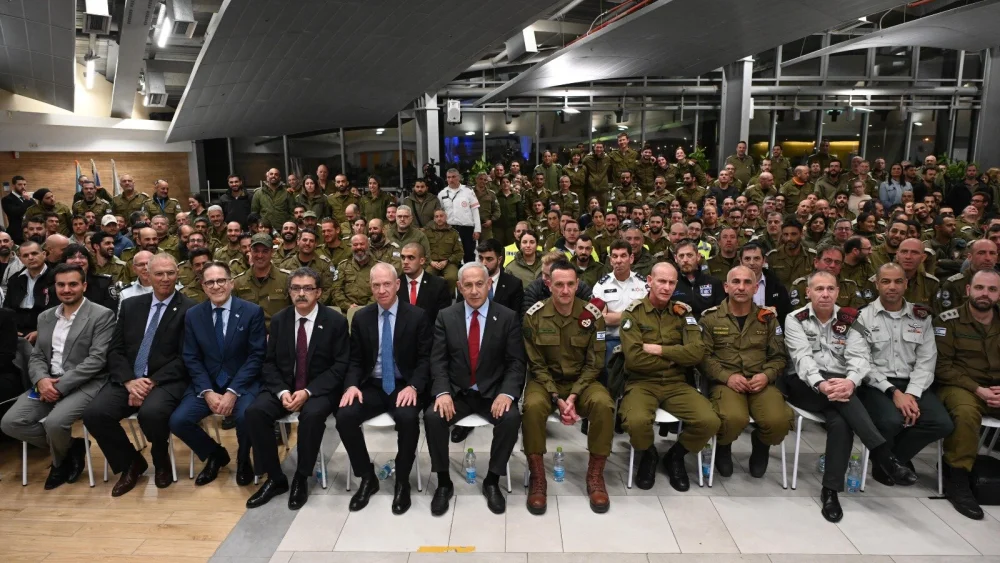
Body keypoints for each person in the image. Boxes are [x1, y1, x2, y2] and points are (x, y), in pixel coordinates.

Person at [781, 270, 917, 523]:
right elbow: (802, 359)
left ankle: (830, 491)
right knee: (842, 403)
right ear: (808, 292)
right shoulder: (795, 319)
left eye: (830, 289)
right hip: (804, 384)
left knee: (841, 422)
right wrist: (822, 384)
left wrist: (851, 381)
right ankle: (883, 455)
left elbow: (860, 357)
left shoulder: (851, 319)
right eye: (819, 289)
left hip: (842, 383)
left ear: (837, 292)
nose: (825, 294)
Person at [82, 254, 195, 496]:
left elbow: (186, 357)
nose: (165, 279)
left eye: (170, 273)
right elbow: (116, 349)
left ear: (178, 275)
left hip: (166, 380)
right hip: (129, 378)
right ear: (147, 275)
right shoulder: (132, 305)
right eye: (159, 274)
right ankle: (131, 462)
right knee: (95, 414)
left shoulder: (190, 309)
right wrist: (129, 381)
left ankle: (160, 457)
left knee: (151, 413)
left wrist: (150, 382)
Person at [0, 264, 116, 489]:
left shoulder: (102, 315)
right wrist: (42, 381)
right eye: (61, 284)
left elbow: (97, 360)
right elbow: (37, 357)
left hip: (85, 383)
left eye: (73, 284)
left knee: (55, 422)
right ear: (54, 287)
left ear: (84, 285)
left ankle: (59, 463)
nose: (66, 289)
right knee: (10, 422)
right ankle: (71, 447)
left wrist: (59, 386)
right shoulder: (45, 317)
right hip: (47, 381)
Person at [424, 262, 525, 516]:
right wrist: (443, 392)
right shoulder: (446, 316)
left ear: (489, 284)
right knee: (432, 417)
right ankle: (444, 482)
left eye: (480, 284)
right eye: (467, 285)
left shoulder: (507, 317)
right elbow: (438, 360)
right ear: (459, 287)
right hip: (458, 392)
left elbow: (516, 362)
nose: (474, 290)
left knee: (512, 418)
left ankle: (492, 479)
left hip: (492, 393)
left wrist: (507, 393)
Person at [245, 267, 348, 510]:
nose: (301, 293)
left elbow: (341, 365)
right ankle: (276, 478)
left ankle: (302, 476)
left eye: (307, 288)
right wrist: (282, 392)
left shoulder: (335, 322)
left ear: (319, 292)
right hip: (284, 387)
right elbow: (268, 363)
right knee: (254, 413)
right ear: (289, 292)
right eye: (295, 288)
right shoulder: (280, 320)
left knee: (312, 416)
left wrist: (307, 392)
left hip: (318, 389)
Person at [846, 263, 953, 486]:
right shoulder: (862, 317)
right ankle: (891, 463)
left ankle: (889, 461)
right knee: (890, 420)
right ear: (876, 284)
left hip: (913, 383)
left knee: (941, 423)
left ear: (906, 284)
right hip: (876, 385)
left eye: (897, 281)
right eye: (885, 281)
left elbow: (927, 360)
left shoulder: (921, 317)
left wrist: (911, 394)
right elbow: (862, 362)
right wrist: (894, 392)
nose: (891, 287)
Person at [338, 263, 431, 514]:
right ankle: (367, 477)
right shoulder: (361, 317)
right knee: (344, 416)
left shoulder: (417, 316)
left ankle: (402, 481)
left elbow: (425, 359)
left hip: (404, 385)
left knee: (408, 419)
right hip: (373, 384)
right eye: (376, 285)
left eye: (387, 284)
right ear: (370, 287)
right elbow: (355, 359)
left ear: (397, 285)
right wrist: (351, 386)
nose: (381, 290)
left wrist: (414, 386)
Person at [522, 260, 613, 514]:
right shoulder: (534, 317)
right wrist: (556, 396)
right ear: (548, 284)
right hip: (544, 381)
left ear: (577, 285)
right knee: (532, 407)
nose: (565, 290)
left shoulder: (592, 317)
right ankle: (538, 478)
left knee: (604, 404)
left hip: (582, 382)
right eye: (559, 284)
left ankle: (595, 475)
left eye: (570, 284)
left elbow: (595, 364)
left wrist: (572, 395)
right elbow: (535, 364)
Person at [619, 262, 719, 491]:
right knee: (635, 422)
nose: (666, 287)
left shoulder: (683, 313)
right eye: (661, 281)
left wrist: (660, 350)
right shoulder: (632, 314)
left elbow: (696, 352)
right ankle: (649, 454)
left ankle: (675, 456)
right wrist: (678, 355)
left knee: (709, 421)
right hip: (642, 383)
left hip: (676, 383)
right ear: (649, 281)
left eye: (671, 282)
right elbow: (634, 359)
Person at [169, 262, 267, 487]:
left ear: (231, 283)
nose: (216, 286)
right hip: (208, 384)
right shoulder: (193, 315)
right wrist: (207, 392)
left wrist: (233, 391)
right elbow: (191, 357)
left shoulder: (251, 312)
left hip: (244, 383)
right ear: (203, 287)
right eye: (210, 282)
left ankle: (244, 461)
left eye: (221, 280)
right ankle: (215, 454)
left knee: (245, 417)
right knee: (178, 420)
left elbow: (256, 356)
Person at [700, 265, 791, 478]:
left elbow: (779, 356)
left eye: (747, 282)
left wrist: (766, 375)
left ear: (755, 287)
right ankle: (724, 447)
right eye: (736, 282)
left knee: (778, 421)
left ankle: (761, 446)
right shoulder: (710, 319)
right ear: (726, 286)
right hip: (725, 381)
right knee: (732, 418)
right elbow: (703, 357)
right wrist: (727, 376)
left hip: (760, 381)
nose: (741, 287)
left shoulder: (768, 319)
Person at [935, 269, 1000, 520]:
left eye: (992, 289)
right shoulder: (948, 320)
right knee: (965, 413)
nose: (985, 294)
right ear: (968, 290)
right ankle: (958, 480)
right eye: (980, 288)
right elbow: (943, 366)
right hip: (961, 385)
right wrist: (979, 389)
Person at [233, 233, 291, 329]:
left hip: (278, 337)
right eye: (256, 251)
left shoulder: (286, 279)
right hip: (248, 338)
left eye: (265, 251)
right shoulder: (238, 282)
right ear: (250, 251)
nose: (260, 255)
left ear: (272, 252)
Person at [5, 240, 55, 341]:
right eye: (25, 255)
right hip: (17, 331)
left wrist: (41, 331)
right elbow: (7, 308)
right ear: (21, 259)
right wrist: (10, 329)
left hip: (46, 331)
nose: (31, 258)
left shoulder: (55, 278)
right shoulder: (14, 280)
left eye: (34, 253)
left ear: (44, 254)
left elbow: (58, 309)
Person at [397, 242, 451, 325]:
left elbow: (443, 319)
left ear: (422, 260)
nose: (405, 262)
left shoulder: (438, 285)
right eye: (403, 257)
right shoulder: (395, 284)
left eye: (411, 258)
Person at [671, 239, 724, 317]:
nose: (685, 260)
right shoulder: (671, 283)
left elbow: (722, 312)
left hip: (707, 326)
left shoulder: (714, 283)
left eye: (689, 255)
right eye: (681, 256)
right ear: (676, 258)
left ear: (698, 256)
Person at [438, 169, 482, 263]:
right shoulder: (442, 194)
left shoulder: (468, 191)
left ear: (459, 177)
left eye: (453, 177)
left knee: (469, 253)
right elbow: (440, 213)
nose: (451, 179)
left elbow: (475, 210)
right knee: (451, 254)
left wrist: (477, 229)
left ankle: (470, 274)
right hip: (450, 228)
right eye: (449, 177)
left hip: (467, 227)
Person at [476, 238, 523, 314]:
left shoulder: (514, 284)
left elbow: (516, 317)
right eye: (481, 258)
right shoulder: (469, 282)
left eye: (489, 259)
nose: (484, 263)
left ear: (499, 260)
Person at [2, 175, 35, 244]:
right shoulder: (6, 199)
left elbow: (36, 211)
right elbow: (15, 213)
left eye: (24, 184)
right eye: (20, 184)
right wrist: (26, 201)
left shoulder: (29, 200)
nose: (23, 187)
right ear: (13, 185)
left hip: (31, 232)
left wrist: (28, 200)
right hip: (16, 233)